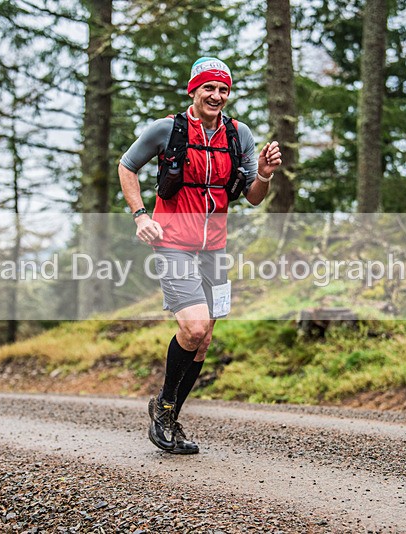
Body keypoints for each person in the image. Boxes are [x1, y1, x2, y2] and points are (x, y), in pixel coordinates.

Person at [118, 57, 282, 454]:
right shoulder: (166, 129)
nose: (217, 95)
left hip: (215, 249)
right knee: (193, 327)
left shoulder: (238, 135)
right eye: (209, 88)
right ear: (193, 90)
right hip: (173, 240)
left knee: (204, 338)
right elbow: (126, 166)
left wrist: (262, 173)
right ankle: (164, 410)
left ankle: (168, 414)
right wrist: (141, 216)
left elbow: (253, 198)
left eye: (223, 89)